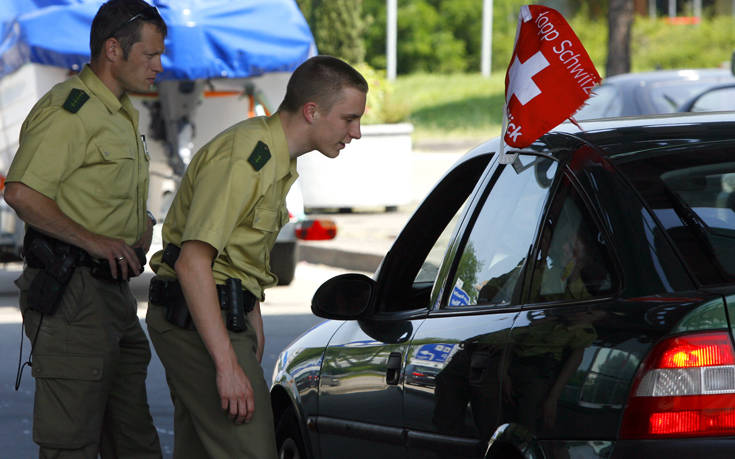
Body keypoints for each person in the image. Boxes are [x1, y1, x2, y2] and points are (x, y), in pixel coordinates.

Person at [146, 55, 368, 458]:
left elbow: (237, 255)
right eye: (349, 118)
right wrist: (228, 365)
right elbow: (192, 262)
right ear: (312, 111)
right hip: (196, 318)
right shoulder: (248, 156)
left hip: (218, 314)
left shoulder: (277, 158)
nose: (356, 132)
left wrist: (252, 314)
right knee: (252, 448)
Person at [4, 1, 166, 457]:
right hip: (72, 294)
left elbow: (103, 193)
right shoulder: (71, 109)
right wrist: (95, 242)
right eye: (150, 55)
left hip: (111, 293)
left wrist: (145, 223)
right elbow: (20, 192)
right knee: (71, 445)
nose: (159, 65)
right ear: (113, 50)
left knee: (134, 440)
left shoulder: (120, 110)